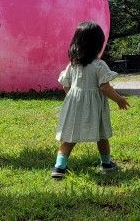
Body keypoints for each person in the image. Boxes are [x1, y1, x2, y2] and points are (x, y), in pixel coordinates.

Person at [51, 21, 130, 179]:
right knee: (101, 135)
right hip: (95, 107)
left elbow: (65, 85)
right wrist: (119, 99)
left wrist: (73, 99)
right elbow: (105, 87)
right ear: (97, 45)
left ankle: (59, 168)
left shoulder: (73, 65)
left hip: (74, 105)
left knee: (69, 137)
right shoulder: (99, 65)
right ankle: (106, 164)